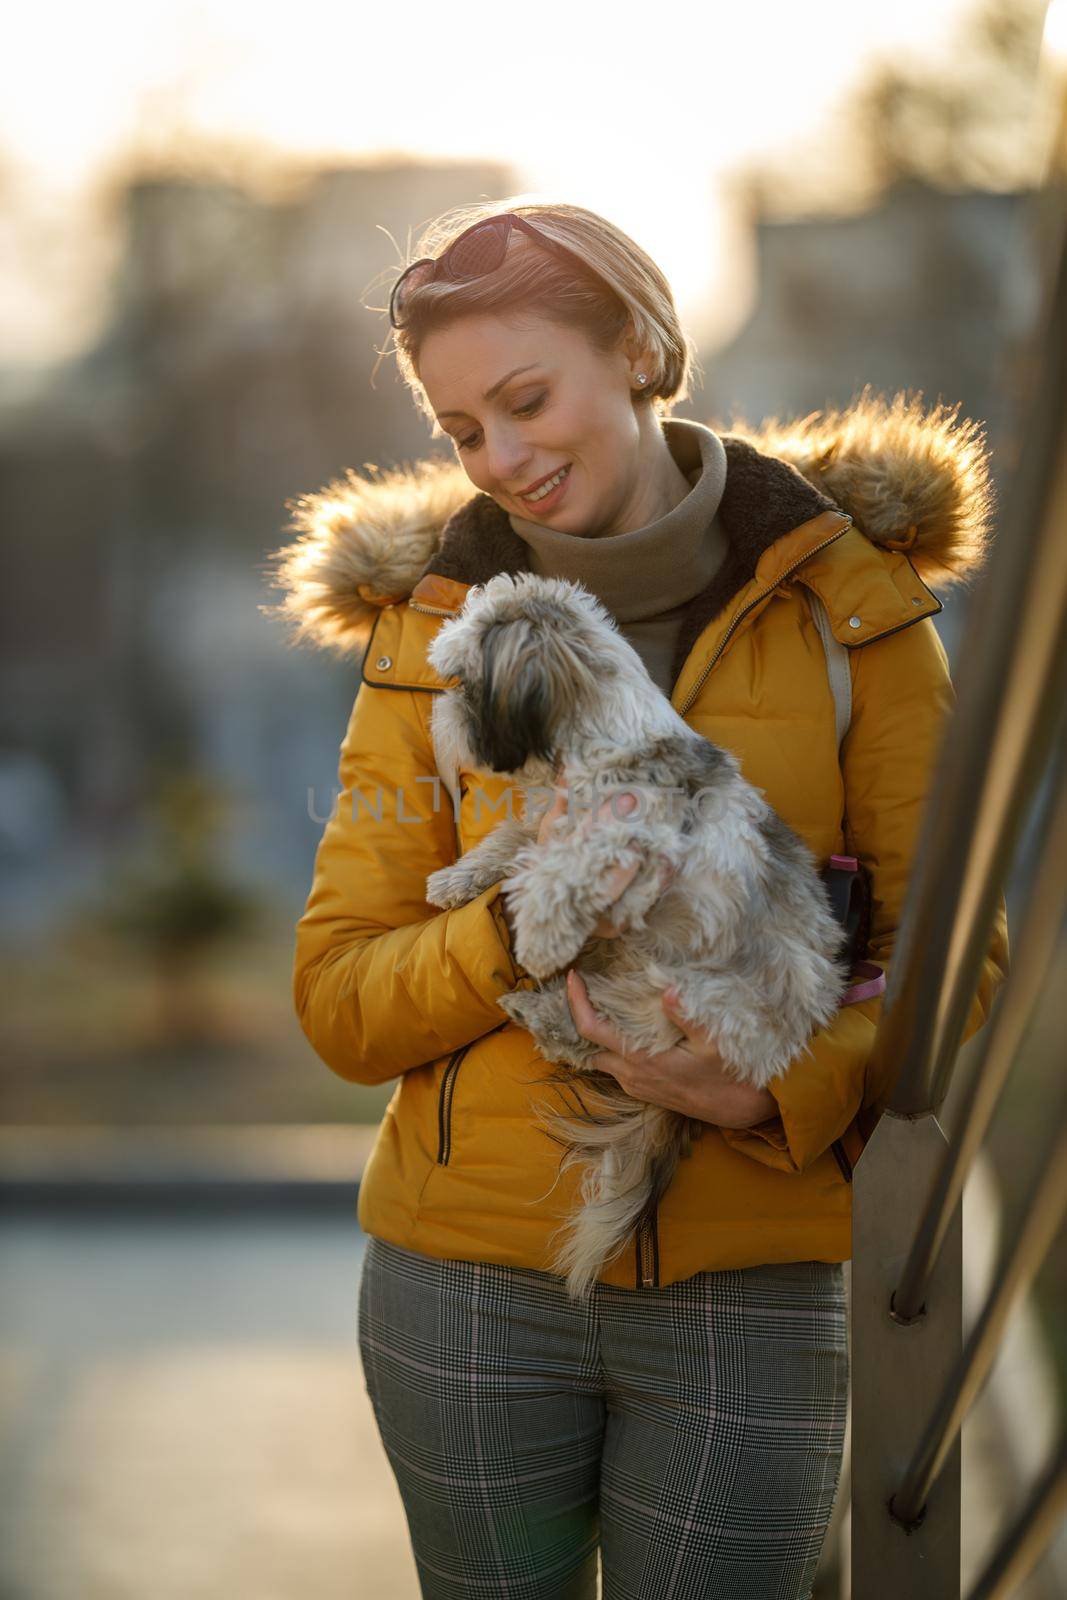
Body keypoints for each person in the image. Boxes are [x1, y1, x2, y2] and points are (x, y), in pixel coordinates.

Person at [271, 199, 1009, 1599]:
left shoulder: (853, 610)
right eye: (463, 429)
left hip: (756, 1291)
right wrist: (516, 921)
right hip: (467, 1290)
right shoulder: (433, 627)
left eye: (528, 400)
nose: (504, 460)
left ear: (643, 345)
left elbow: (956, 959)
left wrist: (778, 1089)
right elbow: (340, 999)